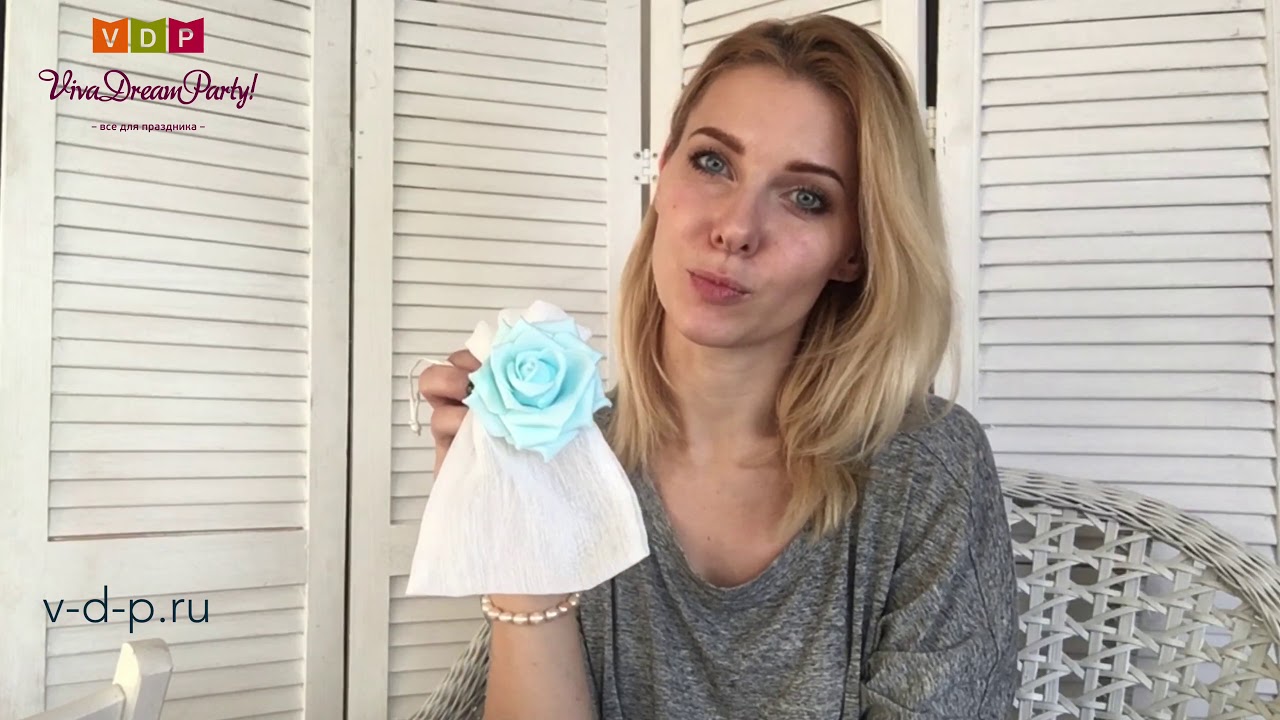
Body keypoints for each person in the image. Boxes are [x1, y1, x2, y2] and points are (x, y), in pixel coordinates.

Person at [417, 15, 1019, 720]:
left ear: (853, 250)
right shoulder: (572, 454)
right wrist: (521, 549)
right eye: (712, 163)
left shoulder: (927, 470)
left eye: (806, 197)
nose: (736, 228)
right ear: (663, 170)